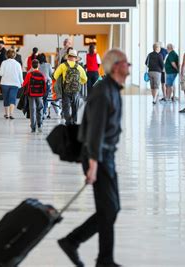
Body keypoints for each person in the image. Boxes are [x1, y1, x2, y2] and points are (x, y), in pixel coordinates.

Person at [58, 49, 129, 267]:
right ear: (116, 66)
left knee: (112, 208)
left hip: (106, 156)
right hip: (96, 157)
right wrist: (93, 165)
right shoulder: (103, 92)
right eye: (126, 63)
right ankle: (94, 254)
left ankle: (77, 243)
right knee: (108, 209)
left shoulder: (113, 90)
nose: (129, 68)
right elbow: (94, 132)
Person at [53, 49, 87, 125]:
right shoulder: (79, 67)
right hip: (76, 90)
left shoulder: (62, 66)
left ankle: (68, 121)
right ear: (75, 58)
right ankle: (74, 121)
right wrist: (78, 82)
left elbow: (55, 76)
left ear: (68, 57)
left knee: (66, 106)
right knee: (75, 105)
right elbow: (85, 79)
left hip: (66, 89)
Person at [22, 59, 47, 133]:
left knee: (32, 110)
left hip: (31, 94)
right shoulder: (42, 74)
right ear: (38, 66)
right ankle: (40, 125)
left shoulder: (29, 74)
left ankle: (33, 127)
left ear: (31, 65)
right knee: (40, 109)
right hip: (39, 95)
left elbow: (24, 84)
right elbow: (44, 86)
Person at [0, 49, 23, 119]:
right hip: (15, 83)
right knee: (13, 98)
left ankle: (7, 114)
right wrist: (22, 82)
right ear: (15, 55)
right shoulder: (18, 64)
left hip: (5, 83)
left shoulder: (4, 63)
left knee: (6, 98)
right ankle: (11, 114)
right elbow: (20, 75)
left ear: (6, 55)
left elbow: (1, 73)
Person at [37, 53, 54, 118]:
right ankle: (43, 113)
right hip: (46, 83)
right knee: (45, 99)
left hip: (38, 84)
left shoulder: (37, 65)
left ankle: (39, 112)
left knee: (38, 99)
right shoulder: (48, 65)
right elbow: (51, 74)